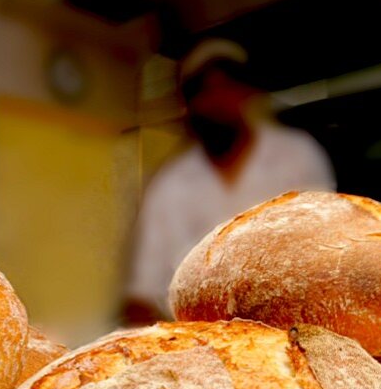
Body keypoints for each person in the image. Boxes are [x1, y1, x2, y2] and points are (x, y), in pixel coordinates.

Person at [125, 39, 336, 323]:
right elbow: (144, 290)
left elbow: (327, 257)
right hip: (196, 342)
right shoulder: (171, 184)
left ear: (247, 92)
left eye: (227, 86)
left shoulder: (296, 156)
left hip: (292, 333)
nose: (216, 101)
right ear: (188, 105)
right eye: (204, 91)